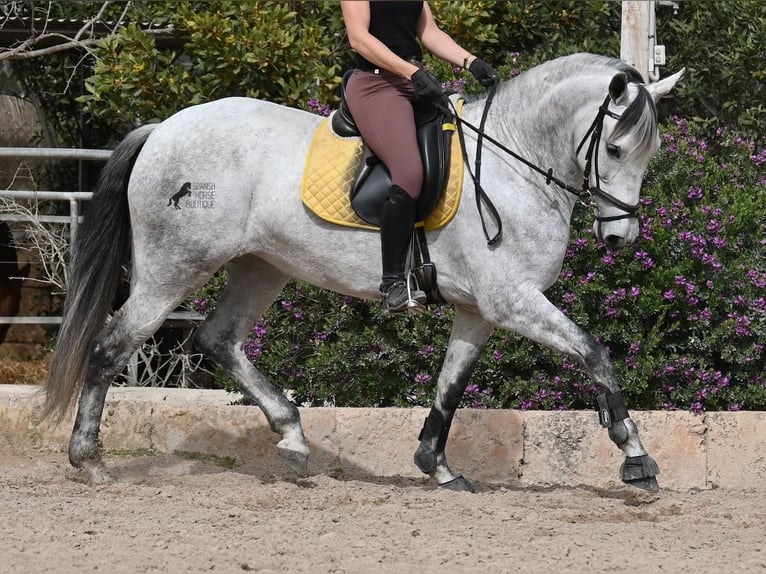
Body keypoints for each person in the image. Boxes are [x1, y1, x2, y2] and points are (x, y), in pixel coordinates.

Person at [341, 0, 497, 313]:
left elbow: (430, 32)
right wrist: (411, 71)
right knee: (410, 173)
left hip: (412, 83)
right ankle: (394, 283)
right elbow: (359, 38)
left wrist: (473, 62)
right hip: (376, 85)